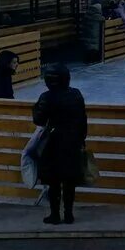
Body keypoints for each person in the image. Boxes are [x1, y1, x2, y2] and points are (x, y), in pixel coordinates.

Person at [32, 63, 88, 225]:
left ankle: (55, 214)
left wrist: (35, 108)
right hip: (72, 142)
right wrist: (81, 139)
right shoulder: (76, 94)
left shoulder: (46, 97)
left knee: (53, 181)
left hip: (52, 143)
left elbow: (39, 119)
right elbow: (83, 119)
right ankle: (69, 214)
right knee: (69, 181)